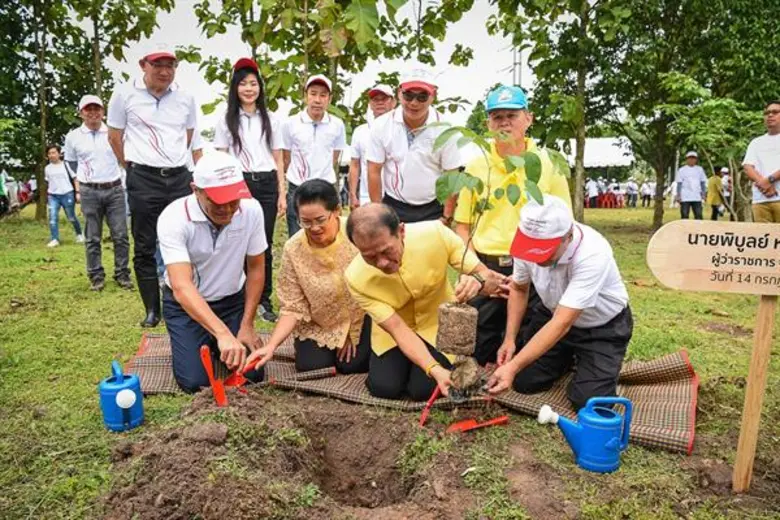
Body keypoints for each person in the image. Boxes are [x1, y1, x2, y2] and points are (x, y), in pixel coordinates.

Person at [453, 84, 571, 365]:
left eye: (512, 115)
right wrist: (480, 273)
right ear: (488, 123)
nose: (504, 123)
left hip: (536, 265)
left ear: (528, 118)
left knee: (534, 356)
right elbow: (463, 227)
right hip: (488, 267)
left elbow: (565, 224)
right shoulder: (477, 166)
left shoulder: (546, 163)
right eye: (497, 117)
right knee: (478, 354)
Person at [344, 204, 508, 400]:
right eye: (369, 257)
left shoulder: (435, 234)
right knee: (385, 388)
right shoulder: (356, 277)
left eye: (386, 251)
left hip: (440, 325)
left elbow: (483, 273)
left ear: (401, 231)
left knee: (421, 390)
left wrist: (478, 280)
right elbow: (397, 328)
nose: (382, 263)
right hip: (393, 333)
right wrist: (434, 369)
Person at [486, 195, 632, 411]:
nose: (537, 258)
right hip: (552, 314)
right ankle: (565, 359)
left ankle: (591, 362)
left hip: (601, 327)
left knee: (589, 404)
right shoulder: (526, 244)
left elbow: (562, 323)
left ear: (568, 236)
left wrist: (513, 366)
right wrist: (509, 340)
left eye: (545, 250)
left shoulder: (593, 252)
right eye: (532, 248)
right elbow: (519, 288)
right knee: (524, 382)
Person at [157, 151, 266, 393]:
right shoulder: (174, 218)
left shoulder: (251, 210)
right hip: (187, 307)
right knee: (195, 382)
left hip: (231, 302)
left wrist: (247, 324)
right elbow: (181, 286)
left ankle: (217, 341)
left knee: (253, 373)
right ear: (196, 190)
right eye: (217, 202)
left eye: (233, 201)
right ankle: (202, 338)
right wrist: (223, 333)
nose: (227, 209)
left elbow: (256, 267)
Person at [107, 44, 199, 328]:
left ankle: (188, 301)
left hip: (179, 177)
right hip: (142, 178)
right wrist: (132, 167)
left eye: (170, 65)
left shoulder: (185, 98)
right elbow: (114, 137)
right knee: (145, 245)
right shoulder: (124, 95)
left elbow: (188, 136)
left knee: (189, 239)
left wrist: (172, 161)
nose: (164, 71)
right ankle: (152, 309)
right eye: (158, 65)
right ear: (143, 65)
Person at [245, 180, 371, 375]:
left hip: (360, 317)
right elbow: (292, 306)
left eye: (320, 220)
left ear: (336, 211)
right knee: (311, 365)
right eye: (306, 222)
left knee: (351, 365)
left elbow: (374, 284)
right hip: (319, 322)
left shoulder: (356, 233)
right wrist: (271, 346)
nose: (314, 228)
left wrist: (350, 332)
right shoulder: (293, 249)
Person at [215, 57, 286, 323]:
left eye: (253, 84)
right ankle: (236, 294)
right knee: (235, 239)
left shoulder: (271, 120)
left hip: (266, 183)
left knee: (263, 242)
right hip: (238, 184)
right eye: (243, 83)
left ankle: (263, 299)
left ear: (260, 87)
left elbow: (278, 158)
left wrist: (281, 193)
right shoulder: (225, 120)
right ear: (235, 87)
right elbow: (221, 157)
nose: (249, 89)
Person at [365, 67, 462, 224]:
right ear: (399, 93)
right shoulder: (381, 126)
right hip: (394, 205)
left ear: (433, 96)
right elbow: (374, 170)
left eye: (422, 97)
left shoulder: (446, 129)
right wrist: (378, 213)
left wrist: (447, 217)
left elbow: (452, 174)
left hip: (433, 206)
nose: (414, 103)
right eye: (408, 95)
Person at [64, 94, 132, 291]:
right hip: (89, 191)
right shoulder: (73, 137)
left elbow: (125, 156)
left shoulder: (114, 133)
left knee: (121, 235)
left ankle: (122, 273)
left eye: (97, 109)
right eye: (88, 109)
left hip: (115, 189)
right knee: (92, 237)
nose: (93, 113)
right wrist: (80, 182)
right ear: (81, 113)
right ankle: (96, 276)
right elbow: (70, 162)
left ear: (103, 112)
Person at [280, 74, 347, 236]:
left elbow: (334, 156)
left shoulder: (337, 125)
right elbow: (286, 157)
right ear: (305, 96)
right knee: (297, 234)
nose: (317, 100)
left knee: (326, 234)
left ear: (330, 99)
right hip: (298, 186)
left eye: (323, 95)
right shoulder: (290, 123)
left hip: (326, 186)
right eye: (313, 94)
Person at [348, 84, 396, 209]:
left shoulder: (400, 130)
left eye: (384, 99)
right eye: (375, 99)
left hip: (397, 197)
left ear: (393, 102)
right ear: (370, 103)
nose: (379, 102)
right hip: (367, 197)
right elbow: (355, 165)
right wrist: (353, 194)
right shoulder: (360, 131)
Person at [743, 100, 780, 223]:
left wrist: (769, 180)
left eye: (775, 112)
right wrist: (763, 183)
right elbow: (748, 167)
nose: (770, 115)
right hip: (760, 200)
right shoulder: (756, 142)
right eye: (767, 113)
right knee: (763, 234)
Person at [44, 145, 84, 247]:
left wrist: (77, 192)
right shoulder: (47, 168)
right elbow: (48, 181)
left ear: (59, 153)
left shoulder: (66, 165)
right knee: (53, 218)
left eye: (54, 152)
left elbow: (75, 179)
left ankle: (79, 234)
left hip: (67, 194)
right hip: (53, 196)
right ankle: (55, 239)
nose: (52, 155)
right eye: (49, 153)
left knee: (71, 217)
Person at [675, 151, 707, 220]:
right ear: (687, 159)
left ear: (696, 159)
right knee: (684, 215)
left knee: (698, 215)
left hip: (696, 196)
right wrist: (678, 195)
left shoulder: (700, 169)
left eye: (693, 158)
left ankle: (698, 227)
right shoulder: (682, 170)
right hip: (685, 196)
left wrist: (704, 194)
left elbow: (702, 182)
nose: (691, 160)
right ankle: (685, 227)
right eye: (690, 158)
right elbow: (679, 183)